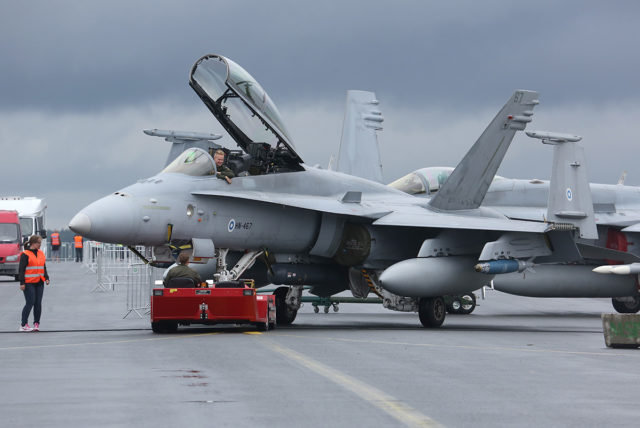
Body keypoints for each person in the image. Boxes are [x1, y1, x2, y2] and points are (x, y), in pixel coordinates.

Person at [19, 235, 50, 332]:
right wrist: (22, 283)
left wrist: (47, 278)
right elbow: (21, 270)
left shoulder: (41, 253)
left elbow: (43, 267)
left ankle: (36, 323)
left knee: (38, 303)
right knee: (30, 302)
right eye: (38, 243)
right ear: (32, 243)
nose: (40, 245)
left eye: (40, 243)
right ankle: (23, 324)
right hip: (29, 283)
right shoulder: (25, 254)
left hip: (40, 282)